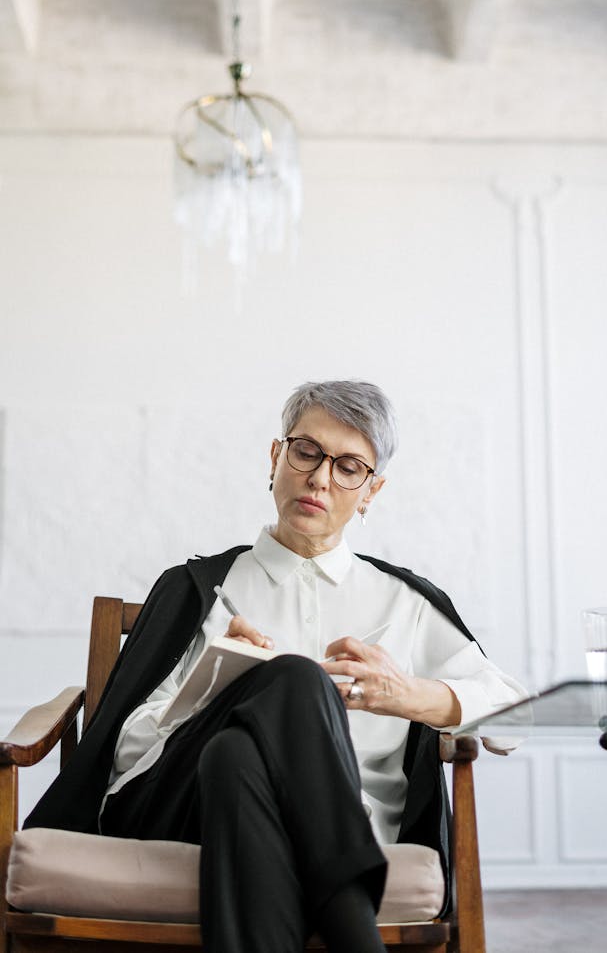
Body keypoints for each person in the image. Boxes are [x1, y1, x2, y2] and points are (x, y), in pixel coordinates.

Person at [25, 380, 525, 953]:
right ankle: (353, 930)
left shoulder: (404, 603)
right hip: (174, 806)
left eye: (349, 466)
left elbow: (516, 720)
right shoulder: (200, 589)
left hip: (298, 807)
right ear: (276, 457)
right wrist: (215, 688)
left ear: (371, 491)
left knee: (235, 756)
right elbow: (126, 751)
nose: (319, 478)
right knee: (292, 677)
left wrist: (406, 694)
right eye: (307, 452)